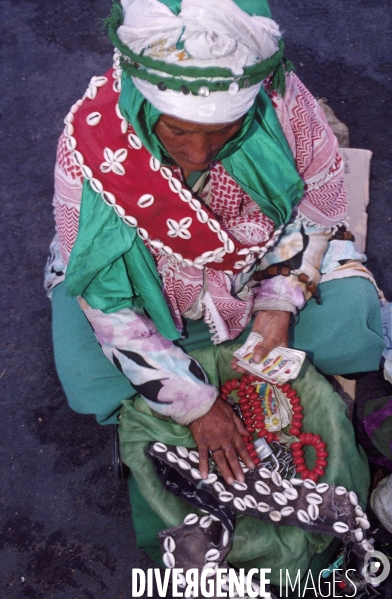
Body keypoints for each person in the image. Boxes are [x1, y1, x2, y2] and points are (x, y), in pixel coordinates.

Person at [45, 0, 386, 592]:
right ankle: (183, 371)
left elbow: (318, 205)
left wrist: (280, 300)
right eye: (177, 130)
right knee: (85, 377)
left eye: (221, 131)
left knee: (352, 324)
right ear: (145, 102)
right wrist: (195, 404)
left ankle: (219, 347)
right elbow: (107, 300)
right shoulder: (92, 143)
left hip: (258, 265)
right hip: (142, 286)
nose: (198, 154)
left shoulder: (282, 104)